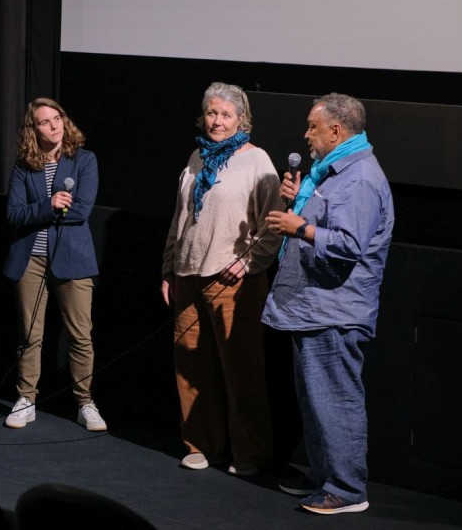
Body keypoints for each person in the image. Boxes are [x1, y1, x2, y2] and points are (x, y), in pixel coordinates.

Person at [263, 93, 394, 515]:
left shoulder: (359, 179)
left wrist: (298, 226)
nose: (306, 134)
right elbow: (329, 223)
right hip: (315, 306)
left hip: (336, 309)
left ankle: (347, 489)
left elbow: (349, 245)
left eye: (312, 127)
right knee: (316, 399)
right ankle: (324, 477)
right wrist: (300, 198)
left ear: (336, 131)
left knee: (336, 398)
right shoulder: (333, 173)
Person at [160, 82, 283, 476]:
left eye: (225, 115)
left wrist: (248, 263)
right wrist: (168, 269)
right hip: (188, 275)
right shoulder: (196, 157)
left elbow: (273, 224)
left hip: (233, 281)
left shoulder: (257, 160)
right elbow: (180, 220)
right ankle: (201, 445)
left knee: (241, 370)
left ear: (240, 119)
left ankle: (250, 453)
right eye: (212, 113)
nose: (217, 121)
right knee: (190, 370)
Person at [2, 98, 106, 432]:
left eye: (57, 117)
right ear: (33, 130)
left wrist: (46, 208)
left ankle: (85, 403)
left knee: (80, 335)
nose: (54, 125)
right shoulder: (24, 166)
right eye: (45, 122)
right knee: (30, 335)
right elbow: (14, 214)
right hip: (30, 258)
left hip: (73, 259)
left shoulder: (84, 160)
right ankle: (26, 399)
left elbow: (81, 211)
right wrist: (49, 205)